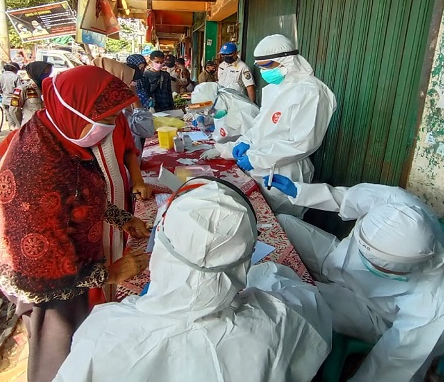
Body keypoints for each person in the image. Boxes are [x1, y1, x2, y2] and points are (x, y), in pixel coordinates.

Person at [55, 178, 333, 382]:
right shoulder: (273, 324)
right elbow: (311, 309)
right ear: (244, 261)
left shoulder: (102, 334)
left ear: (161, 242)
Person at [0, 65, 152, 382]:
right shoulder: (38, 168)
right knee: (59, 358)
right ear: (75, 109)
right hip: (47, 286)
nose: (111, 127)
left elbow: (78, 196)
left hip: (68, 268)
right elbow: (42, 268)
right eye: (106, 120)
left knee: (81, 346)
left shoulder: (58, 135)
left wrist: (123, 219)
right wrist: (112, 274)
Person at [277, 188, 444, 382]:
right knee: (281, 224)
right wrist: (300, 191)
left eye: (372, 264)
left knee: (297, 296)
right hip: (350, 271)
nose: (361, 261)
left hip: (381, 317)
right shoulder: (404, 208)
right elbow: (352, 198)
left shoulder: (436, 311)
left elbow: (389, 371)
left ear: (400, 272)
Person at [212, 34, 336, 218]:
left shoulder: (311, 92)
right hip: (260, 166)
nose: (264, 72)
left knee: (281, 222)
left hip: (286, 172)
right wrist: (246, 140)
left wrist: (257, 159)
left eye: (268, 66)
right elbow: (261, 123)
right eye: (261, 67)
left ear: (287, 61)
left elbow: (303, 143)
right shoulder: (275, 88)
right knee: (257, 218)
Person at [90, 57, 154, 301]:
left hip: (114, 197)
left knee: (115, 247)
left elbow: (129, 151)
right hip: (91, 208)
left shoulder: (117, 117)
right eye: (122, 85)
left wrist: (137, 181)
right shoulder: (74, 124)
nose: (127, 90)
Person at [191, 82, 259, 143]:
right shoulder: (222, 101)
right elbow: (218, 116)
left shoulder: (244, 111)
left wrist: (224, 149)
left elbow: (252, 139)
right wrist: (204, 119)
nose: (208, 113)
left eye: (209, 111)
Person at [0, 62, 23, 130]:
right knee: (17, 119)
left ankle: (11, 129)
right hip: (14, 100)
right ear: (15, 69)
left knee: (9, 117)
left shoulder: (0, 76)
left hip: (4, 99)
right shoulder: (16, 77)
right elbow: (20, 89)